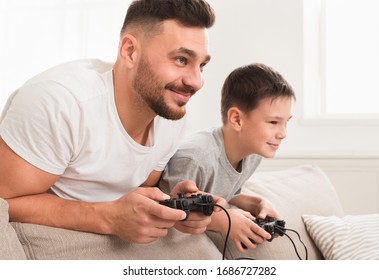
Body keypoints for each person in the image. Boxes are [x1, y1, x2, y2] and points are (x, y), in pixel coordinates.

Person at [0, 0, 225, 245]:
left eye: (201, 65)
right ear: (130, 51)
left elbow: (133, 191)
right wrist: (108, 218)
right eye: (181, 59)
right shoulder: (60, 102)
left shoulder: (171, 115)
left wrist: (171, 206)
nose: (197, 82)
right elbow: (3, 202)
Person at [159, 63, 296, 252]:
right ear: (237, 120)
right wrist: (223, 220)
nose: (283, 133)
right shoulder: (195, 159)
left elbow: (226, 192)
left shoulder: (252, 155)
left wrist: (258, 204)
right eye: (273, 122)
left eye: (285, 123)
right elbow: (165, 209)